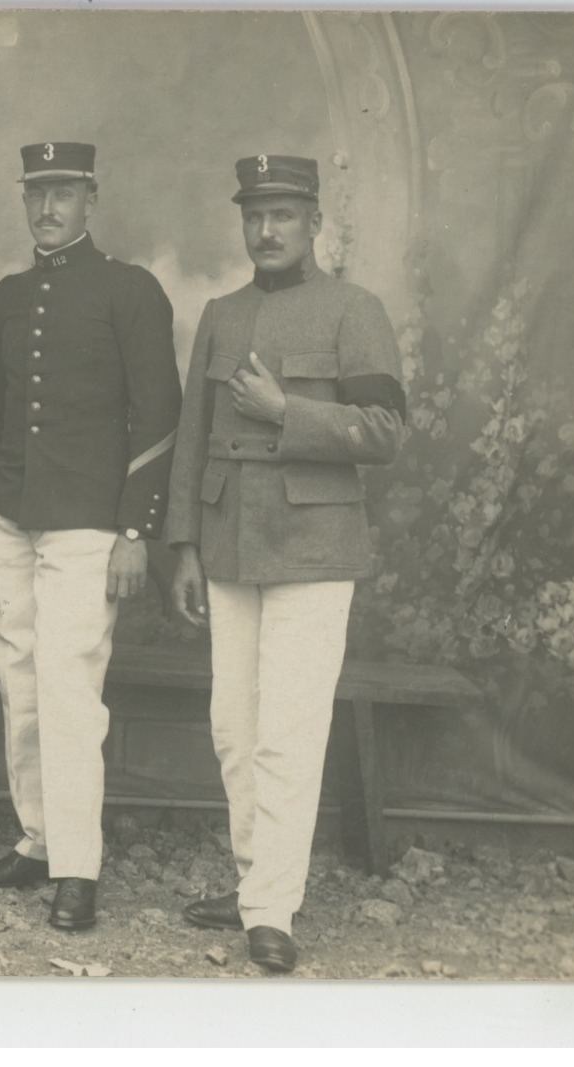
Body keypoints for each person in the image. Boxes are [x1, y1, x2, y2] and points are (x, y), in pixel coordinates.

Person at [165, 155, 407, 973]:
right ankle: (250, 886)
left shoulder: (353, 309)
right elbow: (192, 438)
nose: (265, 231)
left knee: (288, 734)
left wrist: (286, 412)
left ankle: (272, 908)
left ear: (314, 224)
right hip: (229, 540)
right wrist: (184, 546)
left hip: (312, 546)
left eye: (282, 216)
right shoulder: (220, 313)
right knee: (233, 729)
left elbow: (385, 430)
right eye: (254, 216)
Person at [0, 142, 181, 931]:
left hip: (90, 519)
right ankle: (37, 839)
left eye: (62, 193)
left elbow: (158, 417)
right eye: (36, 194)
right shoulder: (9, 294)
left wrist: (135, 529)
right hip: (6, 513)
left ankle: (77, 869)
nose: (47, 208)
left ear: (90, 197)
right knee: (16, 677)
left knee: (66, 686)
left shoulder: (129, 289)